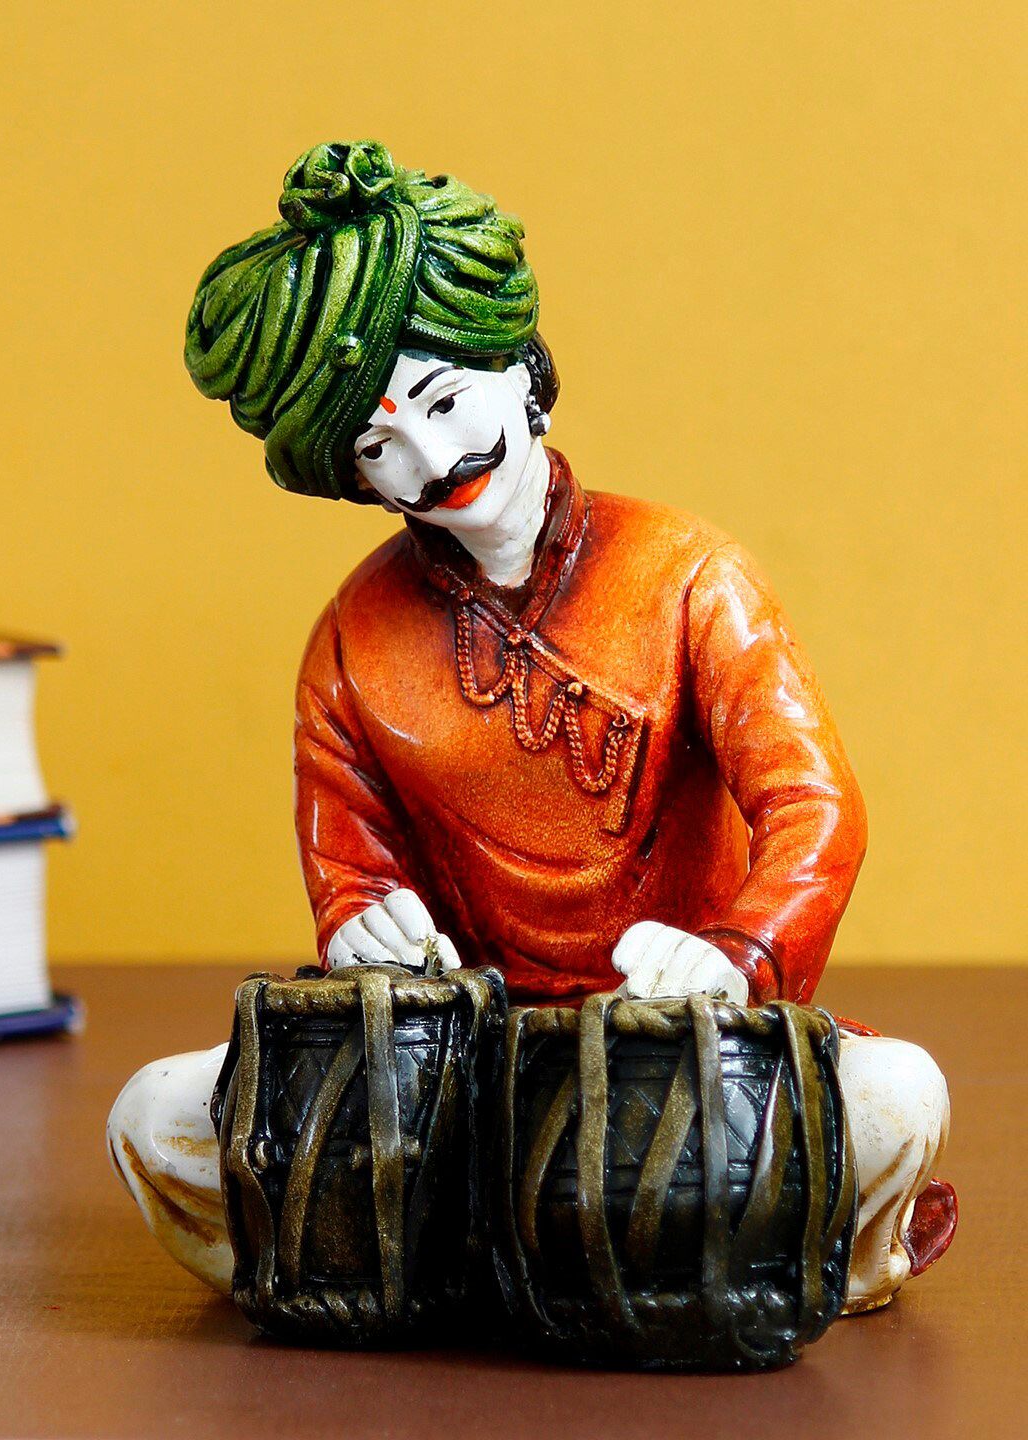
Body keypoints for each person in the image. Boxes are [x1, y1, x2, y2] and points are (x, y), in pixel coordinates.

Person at [108, 141, 955, 1313]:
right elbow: (349, 870)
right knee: (151, 1117)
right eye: (376, 446)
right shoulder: (353, 638)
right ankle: (423, 1261)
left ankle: (746, 1259)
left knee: (902, 1097)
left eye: (447, 402)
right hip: (457, 1085)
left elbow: (817, 810)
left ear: (524, 370)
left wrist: (738, 957)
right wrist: (361, 927)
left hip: (684, 1048)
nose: (432, 458)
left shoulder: (689, 574)